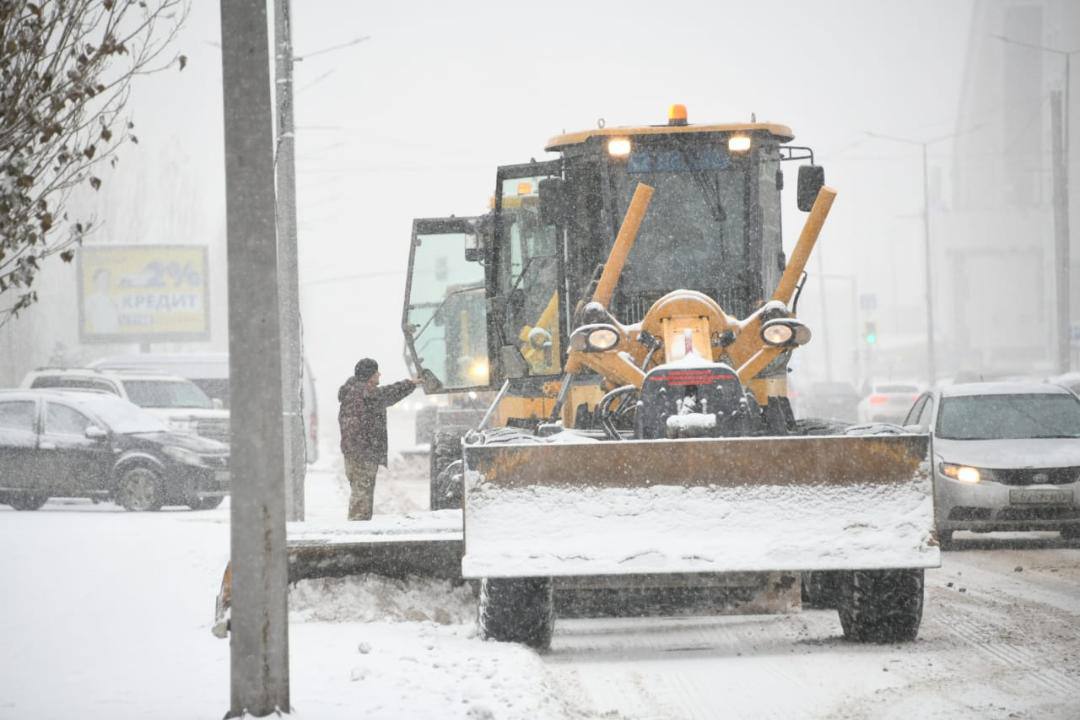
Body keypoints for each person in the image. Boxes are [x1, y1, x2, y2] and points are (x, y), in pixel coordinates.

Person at [338, 358, 421, 520]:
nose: (380, 374)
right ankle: (357, 537)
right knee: (361, 500)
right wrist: (411, 384)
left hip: (352, 453)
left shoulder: (352, 391)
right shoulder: (366, 394)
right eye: (377, 372)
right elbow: (388, 393)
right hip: (363, 452)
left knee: (359, 494)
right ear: (370, 375)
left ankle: (358, 533)